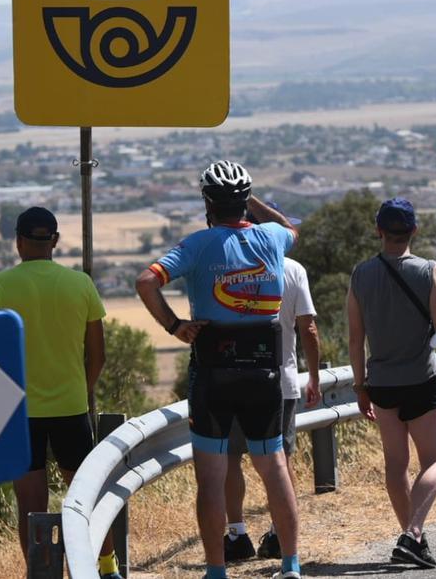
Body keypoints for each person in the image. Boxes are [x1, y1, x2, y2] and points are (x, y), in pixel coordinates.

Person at [136, 160, 303, 579]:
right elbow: (290, 227)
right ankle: (291, 564)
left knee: (211, 478)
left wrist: (175, 326)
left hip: (214, 369)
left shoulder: (197, 244)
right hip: (263, 368)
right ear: (245, 202)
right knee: (274, 467)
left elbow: (145, 281)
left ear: (206, 201)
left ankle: (216, 571)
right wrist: (253, 202)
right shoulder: (272, 238)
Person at [0, 206, 122, 579]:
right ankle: (107, 569)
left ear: (18, 242)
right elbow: (98, 355)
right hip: (71, 407)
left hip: (20, 412)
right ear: (55, 240)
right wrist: (79, 389)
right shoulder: (81, 284)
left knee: (31, 504)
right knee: (87, 498)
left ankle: (39, 574)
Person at [347, 197, 436, 570]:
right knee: (434, 460)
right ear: (414, 230)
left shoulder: (360, 275)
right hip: (421, 380)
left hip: (381, 384)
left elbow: (354, 337)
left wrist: (359, 385)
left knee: (395, 464)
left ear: (378, 231)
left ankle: (411, 538)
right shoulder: (430, 271)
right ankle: (411, 533)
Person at [223, 203, 321, 563]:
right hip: (281, 381)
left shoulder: (230, 268)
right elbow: (307, 327)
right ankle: (281, 535)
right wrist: (312, 375)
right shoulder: (293, 269)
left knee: (230, 458)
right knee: (282, 461)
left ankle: (236, 535)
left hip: (233, 378)